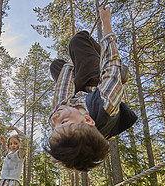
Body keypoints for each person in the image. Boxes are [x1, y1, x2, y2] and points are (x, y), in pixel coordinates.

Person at [47, 7, 137, 172]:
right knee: (78, 40)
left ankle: (80, 63)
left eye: (53, 127)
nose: (54, 119)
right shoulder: (105, 104)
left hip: (81, 100)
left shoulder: (58, 116)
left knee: (56, 66)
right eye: (63, 122)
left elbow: (63, 87)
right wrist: (105, 21)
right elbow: (111, 63)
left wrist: (74, 60)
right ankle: (120, 72)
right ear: (88, 120)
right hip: (96, 88)